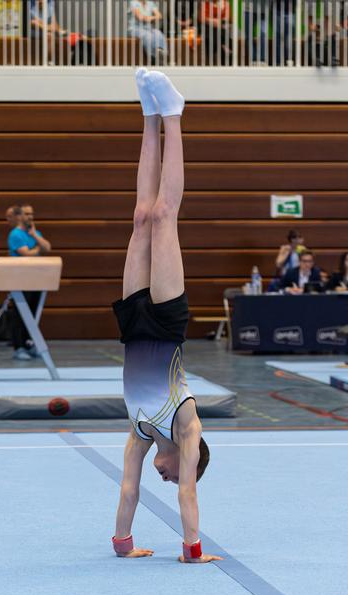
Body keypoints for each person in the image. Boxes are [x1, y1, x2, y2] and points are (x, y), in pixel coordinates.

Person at [111, 69, 221, 564]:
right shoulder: (186, 427)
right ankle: (173, 115)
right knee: (163, 215)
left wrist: (123, 546)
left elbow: (128, 490)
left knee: (139, 217)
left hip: (133, 331)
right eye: (174, 473)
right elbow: (188, 496)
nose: (168, 477)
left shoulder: (139, 430)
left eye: (170, 476)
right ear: (188, 464)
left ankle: (148, 114)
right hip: (167, 323)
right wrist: (192, 550)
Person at [8, 204, 51, 361]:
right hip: (20, 279)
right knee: (19, 314)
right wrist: (38, 250)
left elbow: (47, 247)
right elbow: (26, 254)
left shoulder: (34, 233)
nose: (30, 217)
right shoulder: (15, 234)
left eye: (32, 214)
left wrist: (35, 235)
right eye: (27, 214)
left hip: (35, 279)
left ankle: (28, 344)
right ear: (20, 216)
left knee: (32, 314)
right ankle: (18, 347)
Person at [198, 0, 232, 65]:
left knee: (220, 31)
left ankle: (222, 48)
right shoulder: (205, 2)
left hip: (221, 28)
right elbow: (201, 18)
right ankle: (223, 46)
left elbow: (229, 18)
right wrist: (211, 21)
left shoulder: (225, 3)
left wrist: (220, 21)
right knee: (210, 32)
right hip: (207, 27)